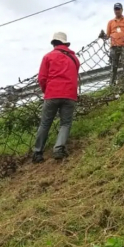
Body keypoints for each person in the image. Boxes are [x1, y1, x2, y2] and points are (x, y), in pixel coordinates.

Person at [33, 32, 80, 162]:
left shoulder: (48, 57)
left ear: (54, 44)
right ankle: (58, 149)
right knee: (65, 123)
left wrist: (47, 91)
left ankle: (38, 153)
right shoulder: (74, 59)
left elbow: (42, 78)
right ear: (66, 44)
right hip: (70, 94)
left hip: (52, 94)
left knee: (45, 123)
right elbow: (74, 75)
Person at [107, 2, 124, 86]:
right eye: (116, 9)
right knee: (113, 66)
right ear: (114, 11)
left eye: (118, 9)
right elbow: (107, 36)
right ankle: (111, 84)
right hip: (113, 47)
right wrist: (102, 36)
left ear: (122, 10)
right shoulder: (110, 22)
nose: (117, 11)